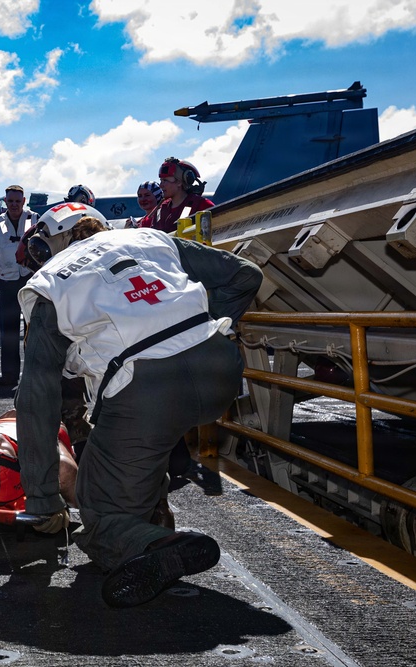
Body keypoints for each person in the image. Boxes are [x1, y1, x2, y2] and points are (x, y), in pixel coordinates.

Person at [14, 203, 262, 607]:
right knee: (144, 445)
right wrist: (210, 327)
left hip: (145, 392)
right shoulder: (150, 239)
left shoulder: (51, 284)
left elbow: (36, 399)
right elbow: (246, 275)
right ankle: (152, 513)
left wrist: (41, 497)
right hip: (219, 369)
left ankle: (160, 544)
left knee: (101, 514)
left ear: (52, 242)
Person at [0, 185, 38, 387]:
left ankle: (35, 374)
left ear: (24, 201)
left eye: (17, 201)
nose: (13, 205)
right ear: (5, 202)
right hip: (7, 282)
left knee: (35, 330)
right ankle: (10, 376)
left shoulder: (35, 220)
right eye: (10, 201)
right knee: (9, 332)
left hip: (30, 281)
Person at [138, 158, 213, 233]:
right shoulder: (160, 209)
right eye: (161, 180)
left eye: (165, 181)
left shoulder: (201, 205)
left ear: (179, 182)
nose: (161, 185)